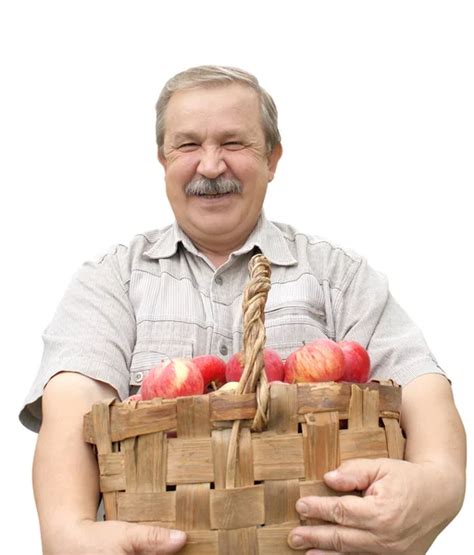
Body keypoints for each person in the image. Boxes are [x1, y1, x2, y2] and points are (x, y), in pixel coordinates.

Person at [20, 65, 466, 554]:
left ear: (272, 159)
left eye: (233, 143)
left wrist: (440, 485)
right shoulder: (112, 281)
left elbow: (422, 388)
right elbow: (72, 403)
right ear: (162, 159)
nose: (211, 167)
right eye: (188, 145)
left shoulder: (338, 277)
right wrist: (68, 531)